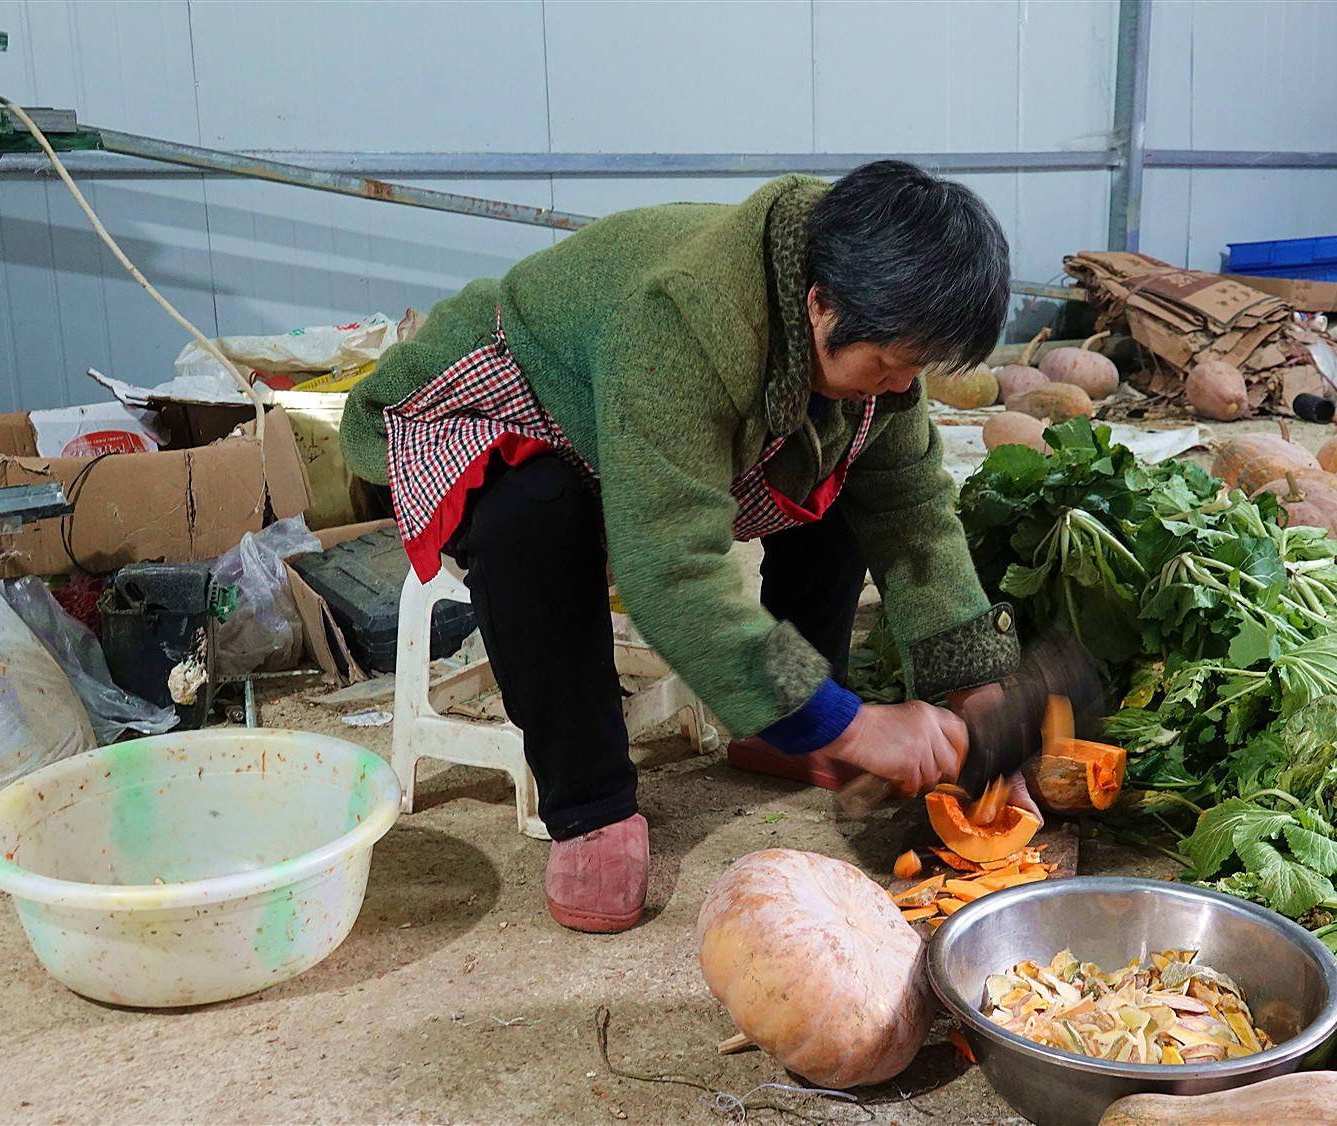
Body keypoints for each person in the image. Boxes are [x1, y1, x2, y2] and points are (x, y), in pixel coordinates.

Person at [344, 161, 1024, 933]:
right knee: (534, 516)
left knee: (847, 451)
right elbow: (670, 569)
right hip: (515, 402)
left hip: (645, 411)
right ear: (819, 303)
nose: (905, 386)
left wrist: (986, 705)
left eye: (918, 369)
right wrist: (862, 728)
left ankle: (789, 721)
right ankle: (589, 802)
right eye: (890, 364)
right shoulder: (683, 318)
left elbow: (914, 512)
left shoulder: (876, 319)